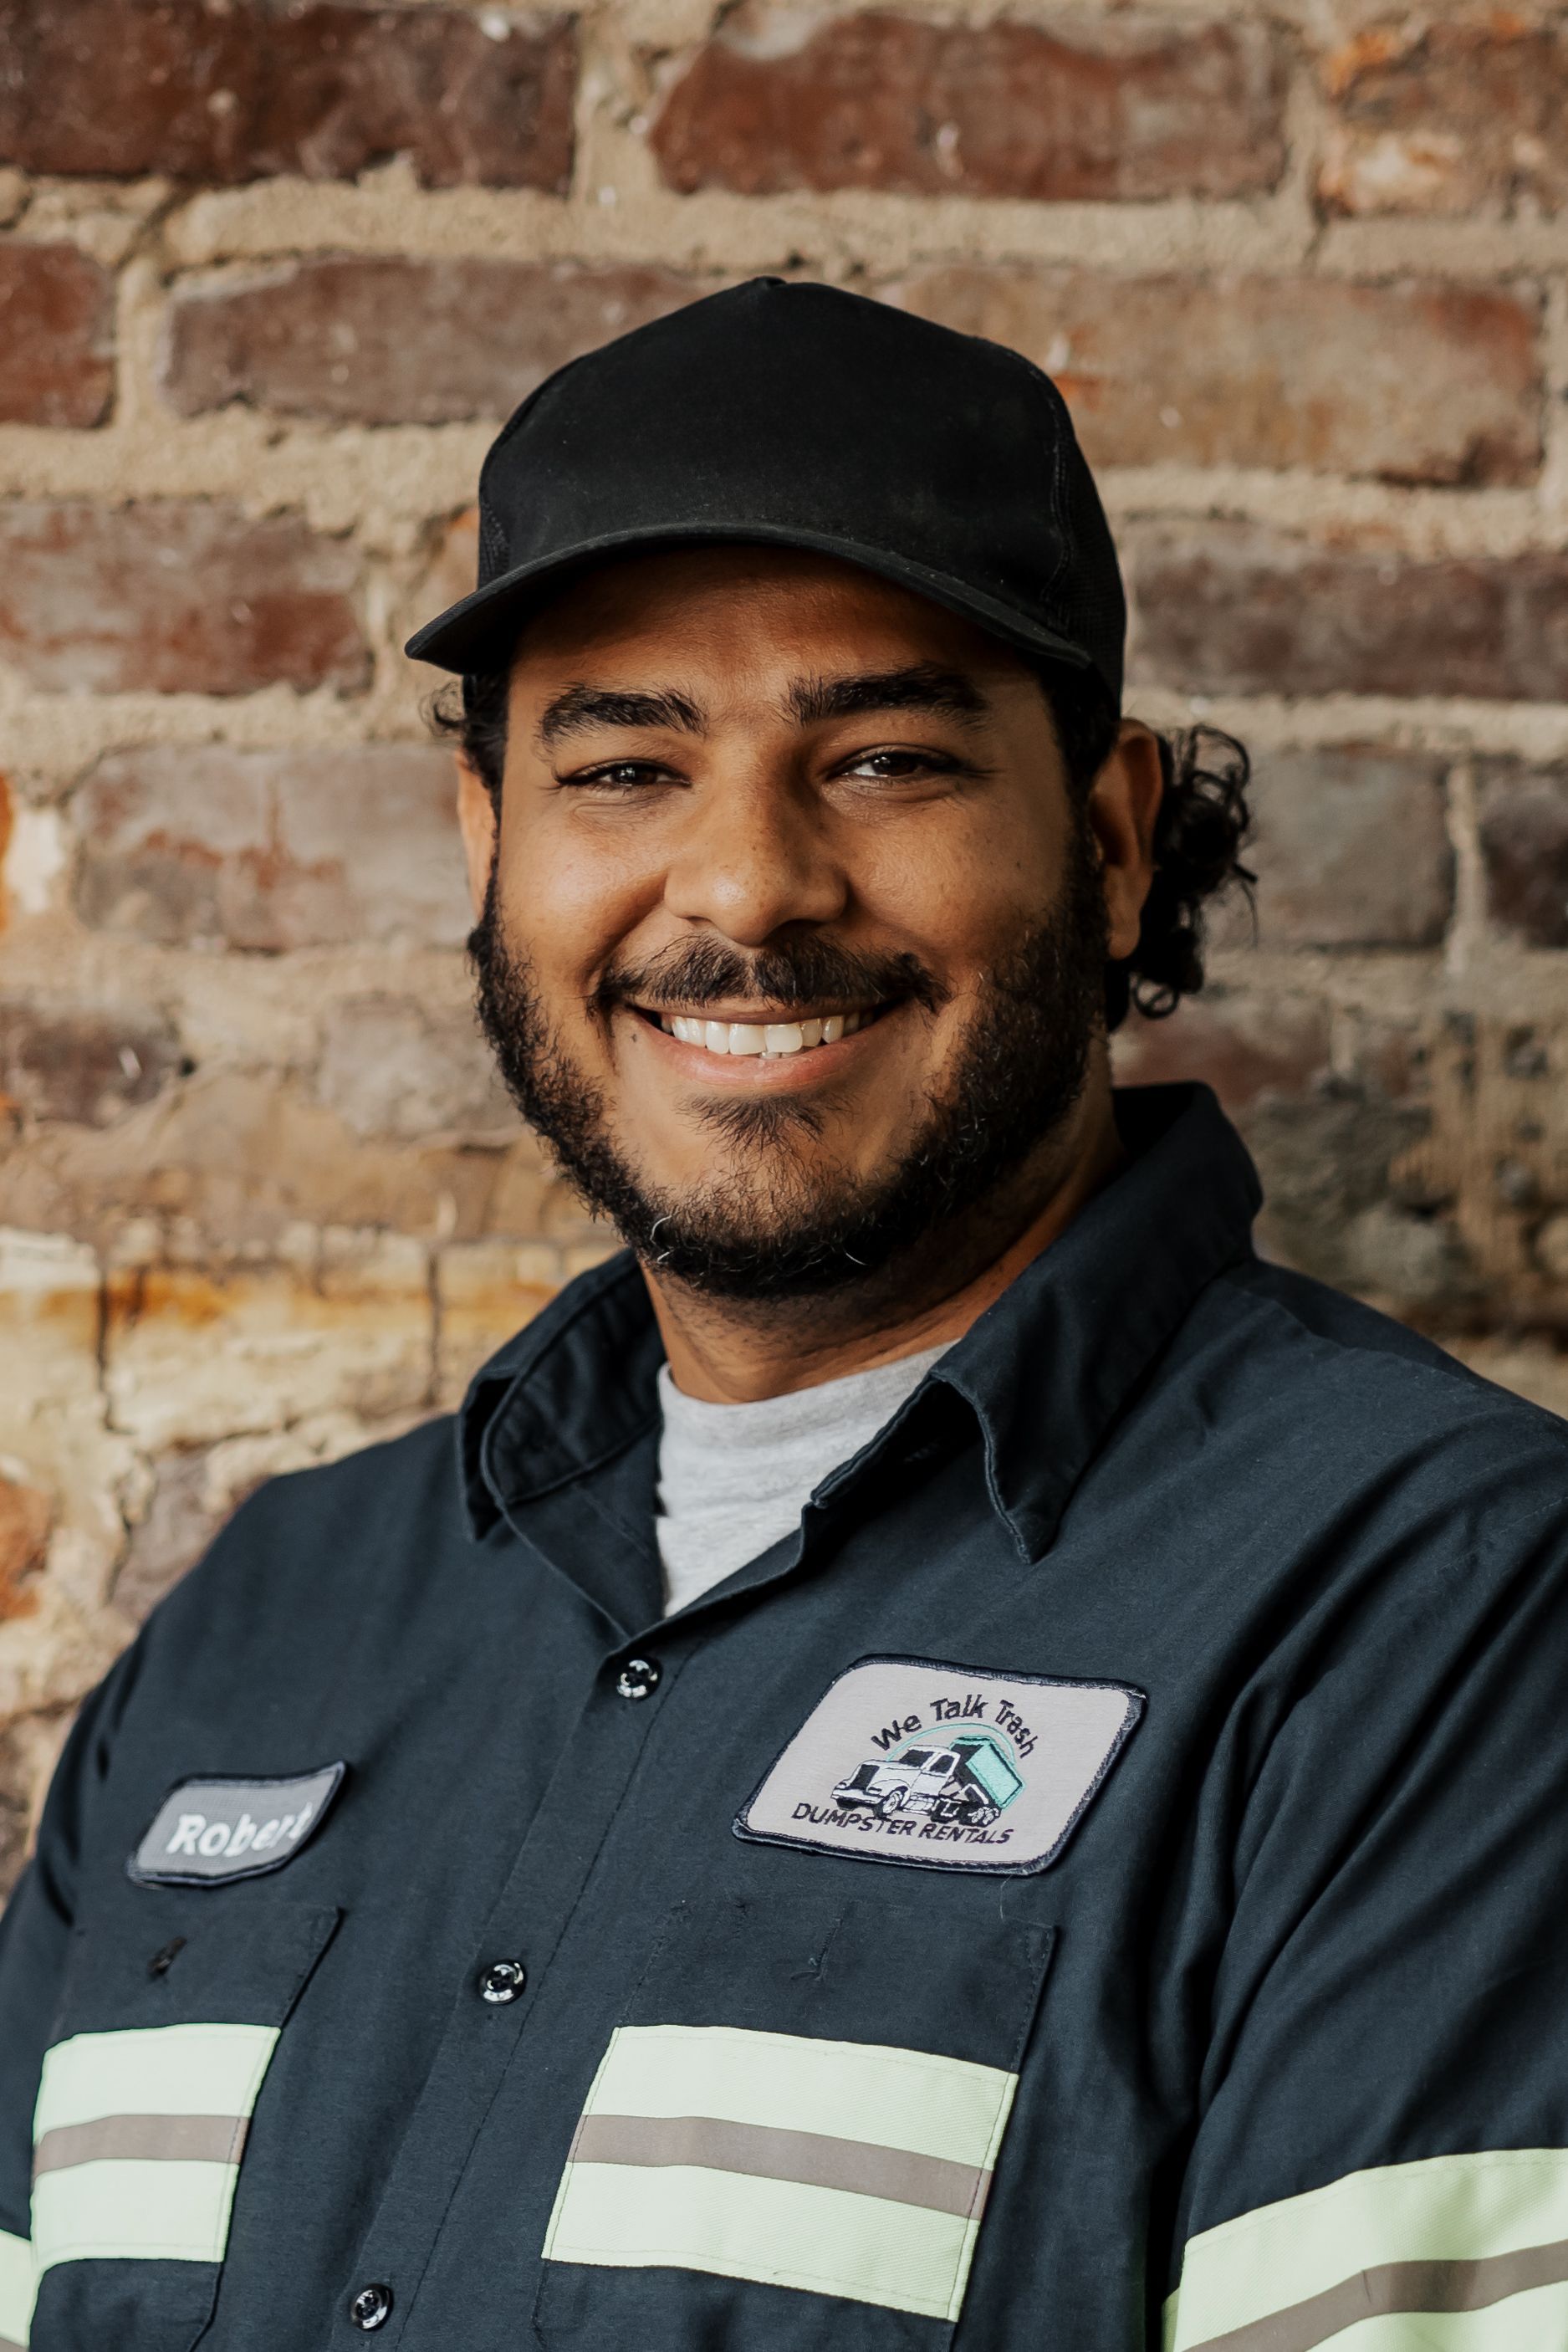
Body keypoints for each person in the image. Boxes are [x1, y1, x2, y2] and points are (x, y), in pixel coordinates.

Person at [2, 278, 1565, 2352]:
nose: (742, 886)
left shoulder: (1433, 1608)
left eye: (885, 756)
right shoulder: (264, 1621)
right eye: (625, 765)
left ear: (1107, 842)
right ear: (489, 843)